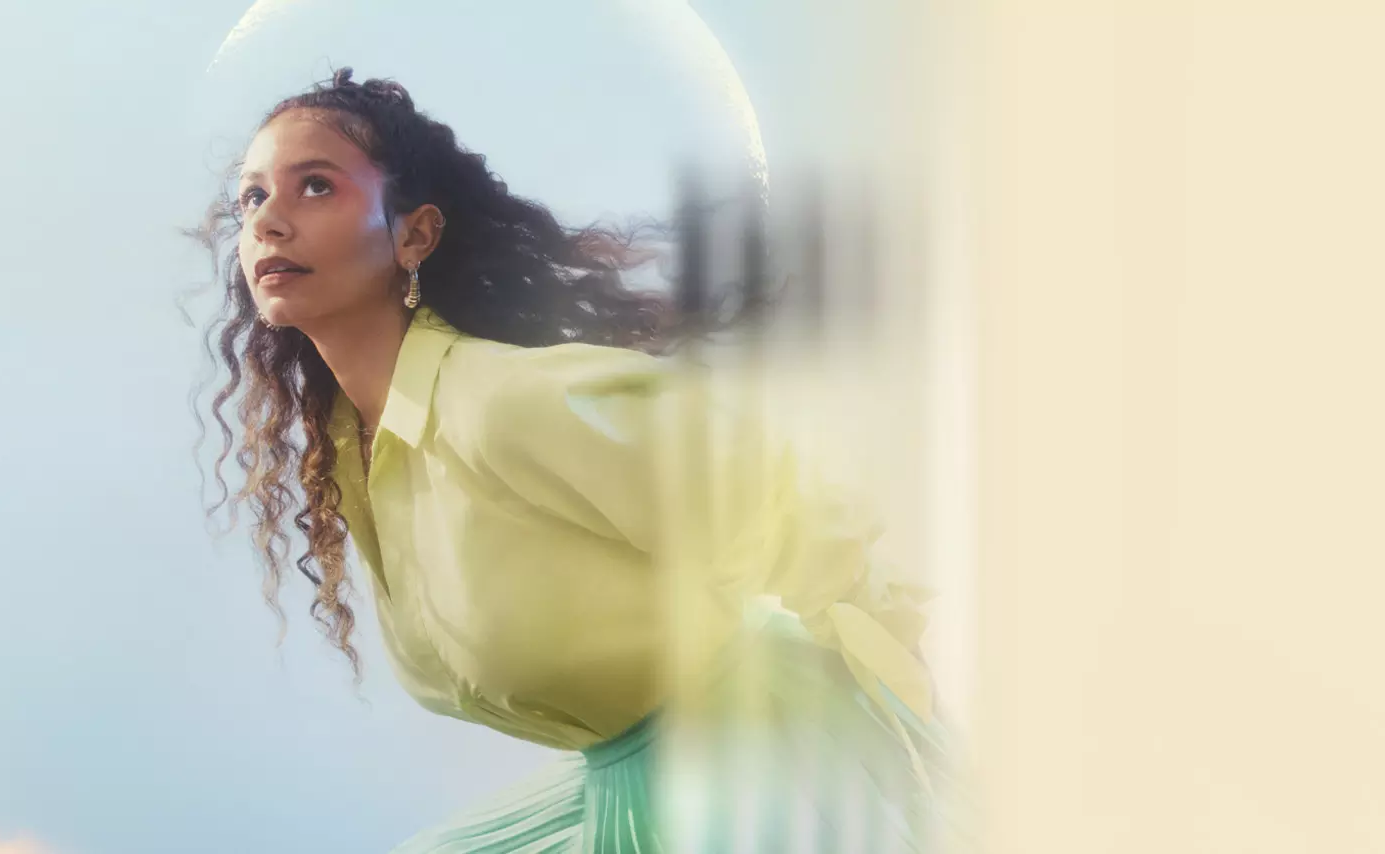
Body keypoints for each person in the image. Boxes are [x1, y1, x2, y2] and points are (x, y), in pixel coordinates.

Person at [196, 69, 955, 853]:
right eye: (252, 198)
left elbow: (787, 512)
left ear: (414, 236)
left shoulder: (500, 405)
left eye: (315, 186)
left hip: (773, 763)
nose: (269, 223)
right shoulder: (358, 459)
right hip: (632, 782)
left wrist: (911, 717)